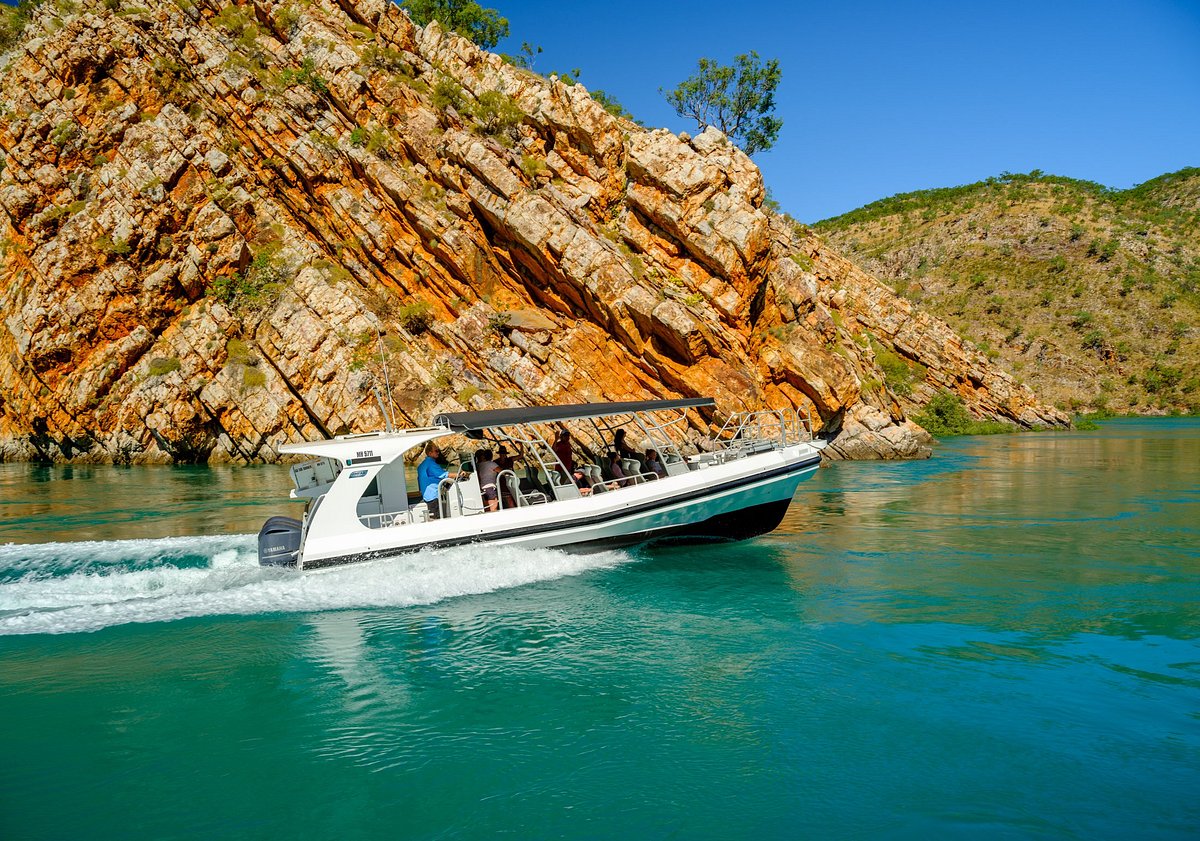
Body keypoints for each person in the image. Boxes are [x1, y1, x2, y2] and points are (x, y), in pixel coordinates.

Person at [418, 442, 451, 517]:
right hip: (434, 496)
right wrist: (461, 473)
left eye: (438, 450)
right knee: (438, 519)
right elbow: (444, 475)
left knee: (434, 518)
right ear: (430, 453)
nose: (438, 453)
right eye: (436, 451)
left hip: (427, 496)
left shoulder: (422, 464)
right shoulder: (431, 464)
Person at [475, 448, 500, 512]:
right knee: (494, 507)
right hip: (489, 488)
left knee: (487, 509)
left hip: (482, 488)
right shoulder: (491, 464)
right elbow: (502, 471)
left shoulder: (477, 465)